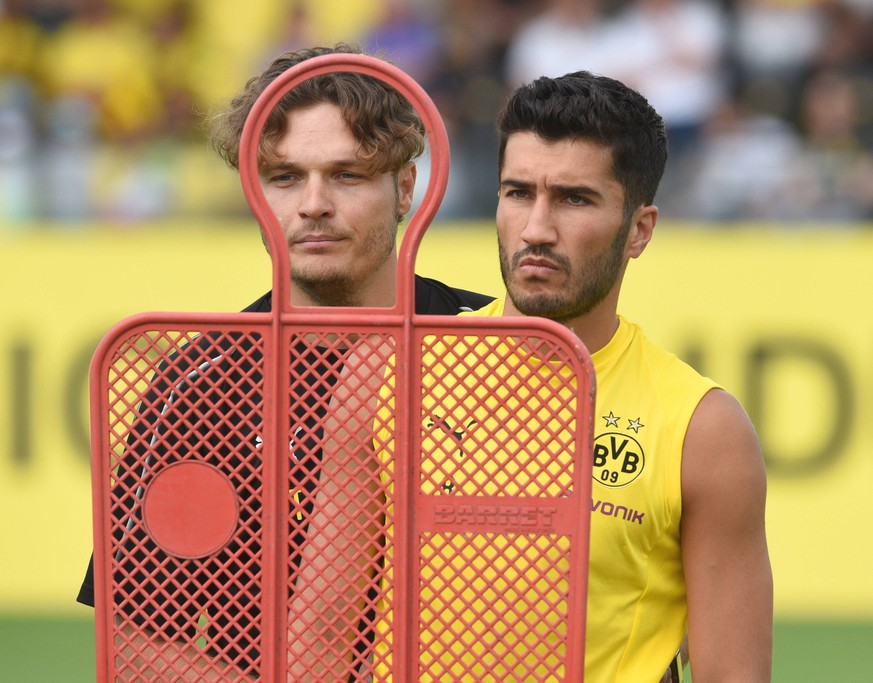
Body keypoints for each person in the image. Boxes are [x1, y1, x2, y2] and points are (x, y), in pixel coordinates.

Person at [76, 43, 492, 680]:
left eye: (347, 175)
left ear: (406, 186)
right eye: (285, 177)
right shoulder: (202, 382)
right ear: (253, 189)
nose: (313, 204)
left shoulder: (492, 349)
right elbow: (132, 639)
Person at [340, 70, 770, 681]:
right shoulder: (387, 375)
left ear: (639, 231)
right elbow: (320, 651)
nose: (537, 229)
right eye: (517, 193)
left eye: (574, 198)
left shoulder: (702, 430)